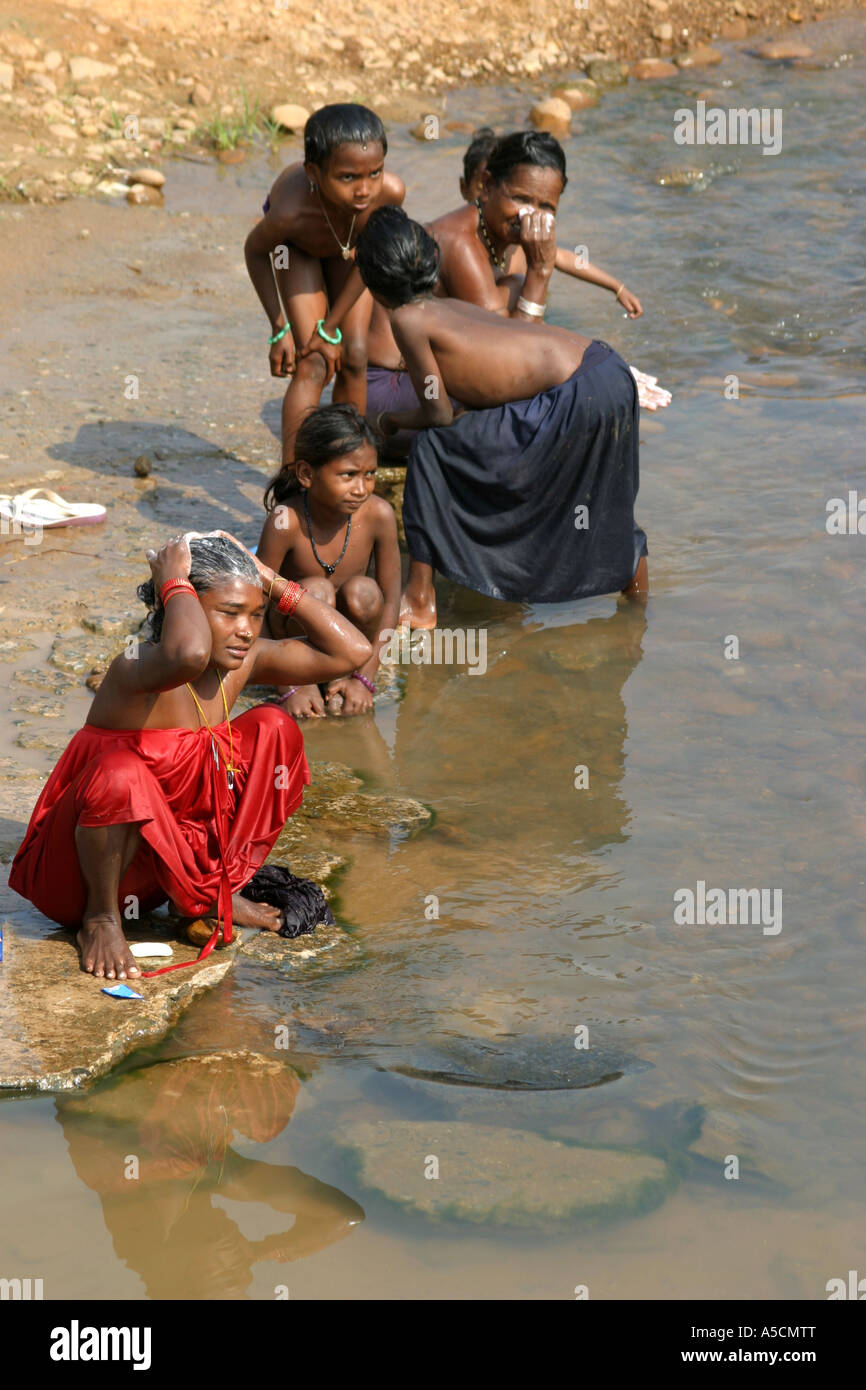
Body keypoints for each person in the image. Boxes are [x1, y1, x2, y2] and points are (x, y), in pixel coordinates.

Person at [9, 534, 371, 980]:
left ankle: (211, 891)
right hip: (81, 882)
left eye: (256, 615)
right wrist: (173, 581)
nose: (247, 630)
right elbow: (188, 653)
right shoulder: (134, 667)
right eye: (229, 613)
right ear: (181, 606)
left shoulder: (242, 663)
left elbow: (353, 652)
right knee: (120, 773)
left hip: (162, 877)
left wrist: (273, 581)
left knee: (274, 727)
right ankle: (102, 921)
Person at [354, 207, 648, 628]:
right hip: (607, 370)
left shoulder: (407, 319)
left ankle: (420, 597)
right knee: (606, 492)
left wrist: (394, 422)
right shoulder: (449, 305)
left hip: (575, 394)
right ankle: (637, 604)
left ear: (372, 282)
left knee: (431, 450)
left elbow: (438, 412)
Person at [363, 130, 669, 443]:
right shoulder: (459, 243)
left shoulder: (512, 232)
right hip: (399, 385)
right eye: (520, 198)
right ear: (487, 185)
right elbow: (507, 352)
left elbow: (565, 259)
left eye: (546, 206)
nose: (530, 214)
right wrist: (539, 272)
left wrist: (612, 297)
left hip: (443, 381)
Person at [244, 103, 405, 467]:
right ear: (314, 172)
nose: (364, 189)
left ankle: (347, 464)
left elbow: (368, 256)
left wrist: (332, 327)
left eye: (374, 173)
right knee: (314, 362)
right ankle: (292, 478)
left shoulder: (389, 194)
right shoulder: (289, 211)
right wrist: (277, 327)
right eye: (348, 177)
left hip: (351, 254)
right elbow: (255, 253)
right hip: (297, 250)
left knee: (355, 355)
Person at [257, 403, 401, 720]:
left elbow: (390, 601)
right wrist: (289, 683)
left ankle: (342, 674)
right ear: (307, 474)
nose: (361, 488)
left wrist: (365, 676)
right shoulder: (286, 521)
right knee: (316, 593)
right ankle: (305, 672)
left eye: (370, 475)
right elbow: (254, 603)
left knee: (364, 592)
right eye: (348, 475)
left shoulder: (379, 514)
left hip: (352, 647)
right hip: (292, 644)